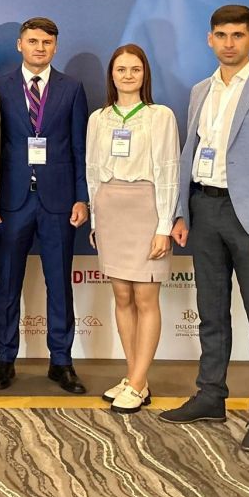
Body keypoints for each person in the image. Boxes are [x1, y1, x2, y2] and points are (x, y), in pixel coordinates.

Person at [162, 5, 249, 453]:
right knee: (211, 312)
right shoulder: (200, 90)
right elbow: (190, 152)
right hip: (204, 210)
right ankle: (210, 396)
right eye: (221, 35)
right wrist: (181, 213)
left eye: (238, 35)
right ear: (210, 39)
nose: (229, 43)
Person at [0, 17, 90, 395]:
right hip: (12, 201)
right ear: (20, 45)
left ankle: (61, 361)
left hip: (58, 201)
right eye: (33, 41)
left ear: (55, 47)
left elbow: (79, 147)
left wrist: (82, 197)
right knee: (7, 281)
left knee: (59, 283)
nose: (40, 48)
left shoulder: (72, 88)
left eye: (47, 42)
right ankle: (4, 358)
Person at [84, 44, 179, 414]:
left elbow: (169, 171)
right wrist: (95, 219)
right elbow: (93, 171)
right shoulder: (98, 118)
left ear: (145, 74)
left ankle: (138, 382)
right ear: (111, 74)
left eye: (134, 69)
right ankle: (135, 377)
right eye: (121, 69)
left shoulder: (160, 116)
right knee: (121, 296)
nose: (127, 75)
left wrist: (164, 225)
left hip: (146, 207)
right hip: (110, 208)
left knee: (145, 298)